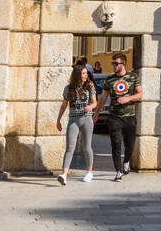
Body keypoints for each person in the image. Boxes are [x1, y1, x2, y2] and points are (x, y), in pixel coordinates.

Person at [93, 52, 141, 181]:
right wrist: (97, 112)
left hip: (130, 117)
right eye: (112, 63)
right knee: (116, 143)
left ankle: (126, 162)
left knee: (130, 145)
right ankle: (118, 171)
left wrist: (128, 98)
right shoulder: (109, 80)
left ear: (123, 64)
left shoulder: (133, 77)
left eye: (116, 63)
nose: (113, 66)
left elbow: (140, 94)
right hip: (114, 117)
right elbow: (103, 98)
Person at [55, 62, 97, 186]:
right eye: (83, 73)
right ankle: (64, 174)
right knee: (70, 148)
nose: (86, 75)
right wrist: (58, 120)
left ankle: (89, 172)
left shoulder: (90, 86)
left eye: (86, 73)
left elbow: (95, 103)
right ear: (77, 74)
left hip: (87, 120)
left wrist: (90, 106)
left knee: (86, 146)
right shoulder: (68, 88)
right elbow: (64, 105)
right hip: (73, 120)